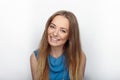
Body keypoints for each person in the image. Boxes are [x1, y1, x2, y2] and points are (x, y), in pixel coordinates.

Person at [30, 10, 86, 80]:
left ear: (70, 36)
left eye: (63, 30)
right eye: (52, 27)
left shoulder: (79, 57)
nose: (55, 33)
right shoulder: (35, 58)